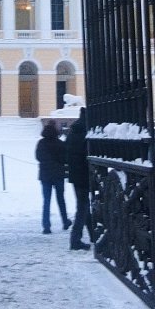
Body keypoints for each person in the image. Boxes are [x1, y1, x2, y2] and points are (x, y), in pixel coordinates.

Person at [35, 119, 70, 235]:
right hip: (58, 174)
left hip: (45, 175)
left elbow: (38, 157)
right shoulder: (60, 143)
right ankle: (65, 221)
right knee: (61, 200)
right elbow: (65, 158)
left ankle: (46, 226)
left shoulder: (41, 143)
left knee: (46, 201)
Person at [65, 107, 93, 250]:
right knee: (82, 207)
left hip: (75, 174)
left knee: (83, 205)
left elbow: (66, 151)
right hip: (84, 174)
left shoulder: (73, 131)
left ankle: (93, 235)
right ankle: (75, 239)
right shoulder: (87, 132)